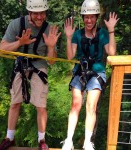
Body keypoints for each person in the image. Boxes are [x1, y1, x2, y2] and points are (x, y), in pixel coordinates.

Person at [0, 0, 61, 150]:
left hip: (39, 65)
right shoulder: (16, 24)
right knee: (15, 101)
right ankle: (9, 138)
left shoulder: (48, 29)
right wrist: (19, 43)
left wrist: (51, 47)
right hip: (20, 63)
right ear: (29, 13)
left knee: (41, 105)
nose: (39, 17)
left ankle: (42, 140)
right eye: (36, 13)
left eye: (42, 13)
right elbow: (2, 48)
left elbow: (51, 61)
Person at [61, 0, 119, 150]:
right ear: (82, 17)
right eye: (86, 17)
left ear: (96, 17)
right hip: (80, 70)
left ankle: (88, 141)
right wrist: (68, 37)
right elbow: (69, 56)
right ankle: (69, 140)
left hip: (97, 72)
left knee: (91, 106)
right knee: (75, 104)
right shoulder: (78, 35)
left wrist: (111, 30)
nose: (89, 20)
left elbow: (112, 52)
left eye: (92, 17)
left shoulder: (103, 34)